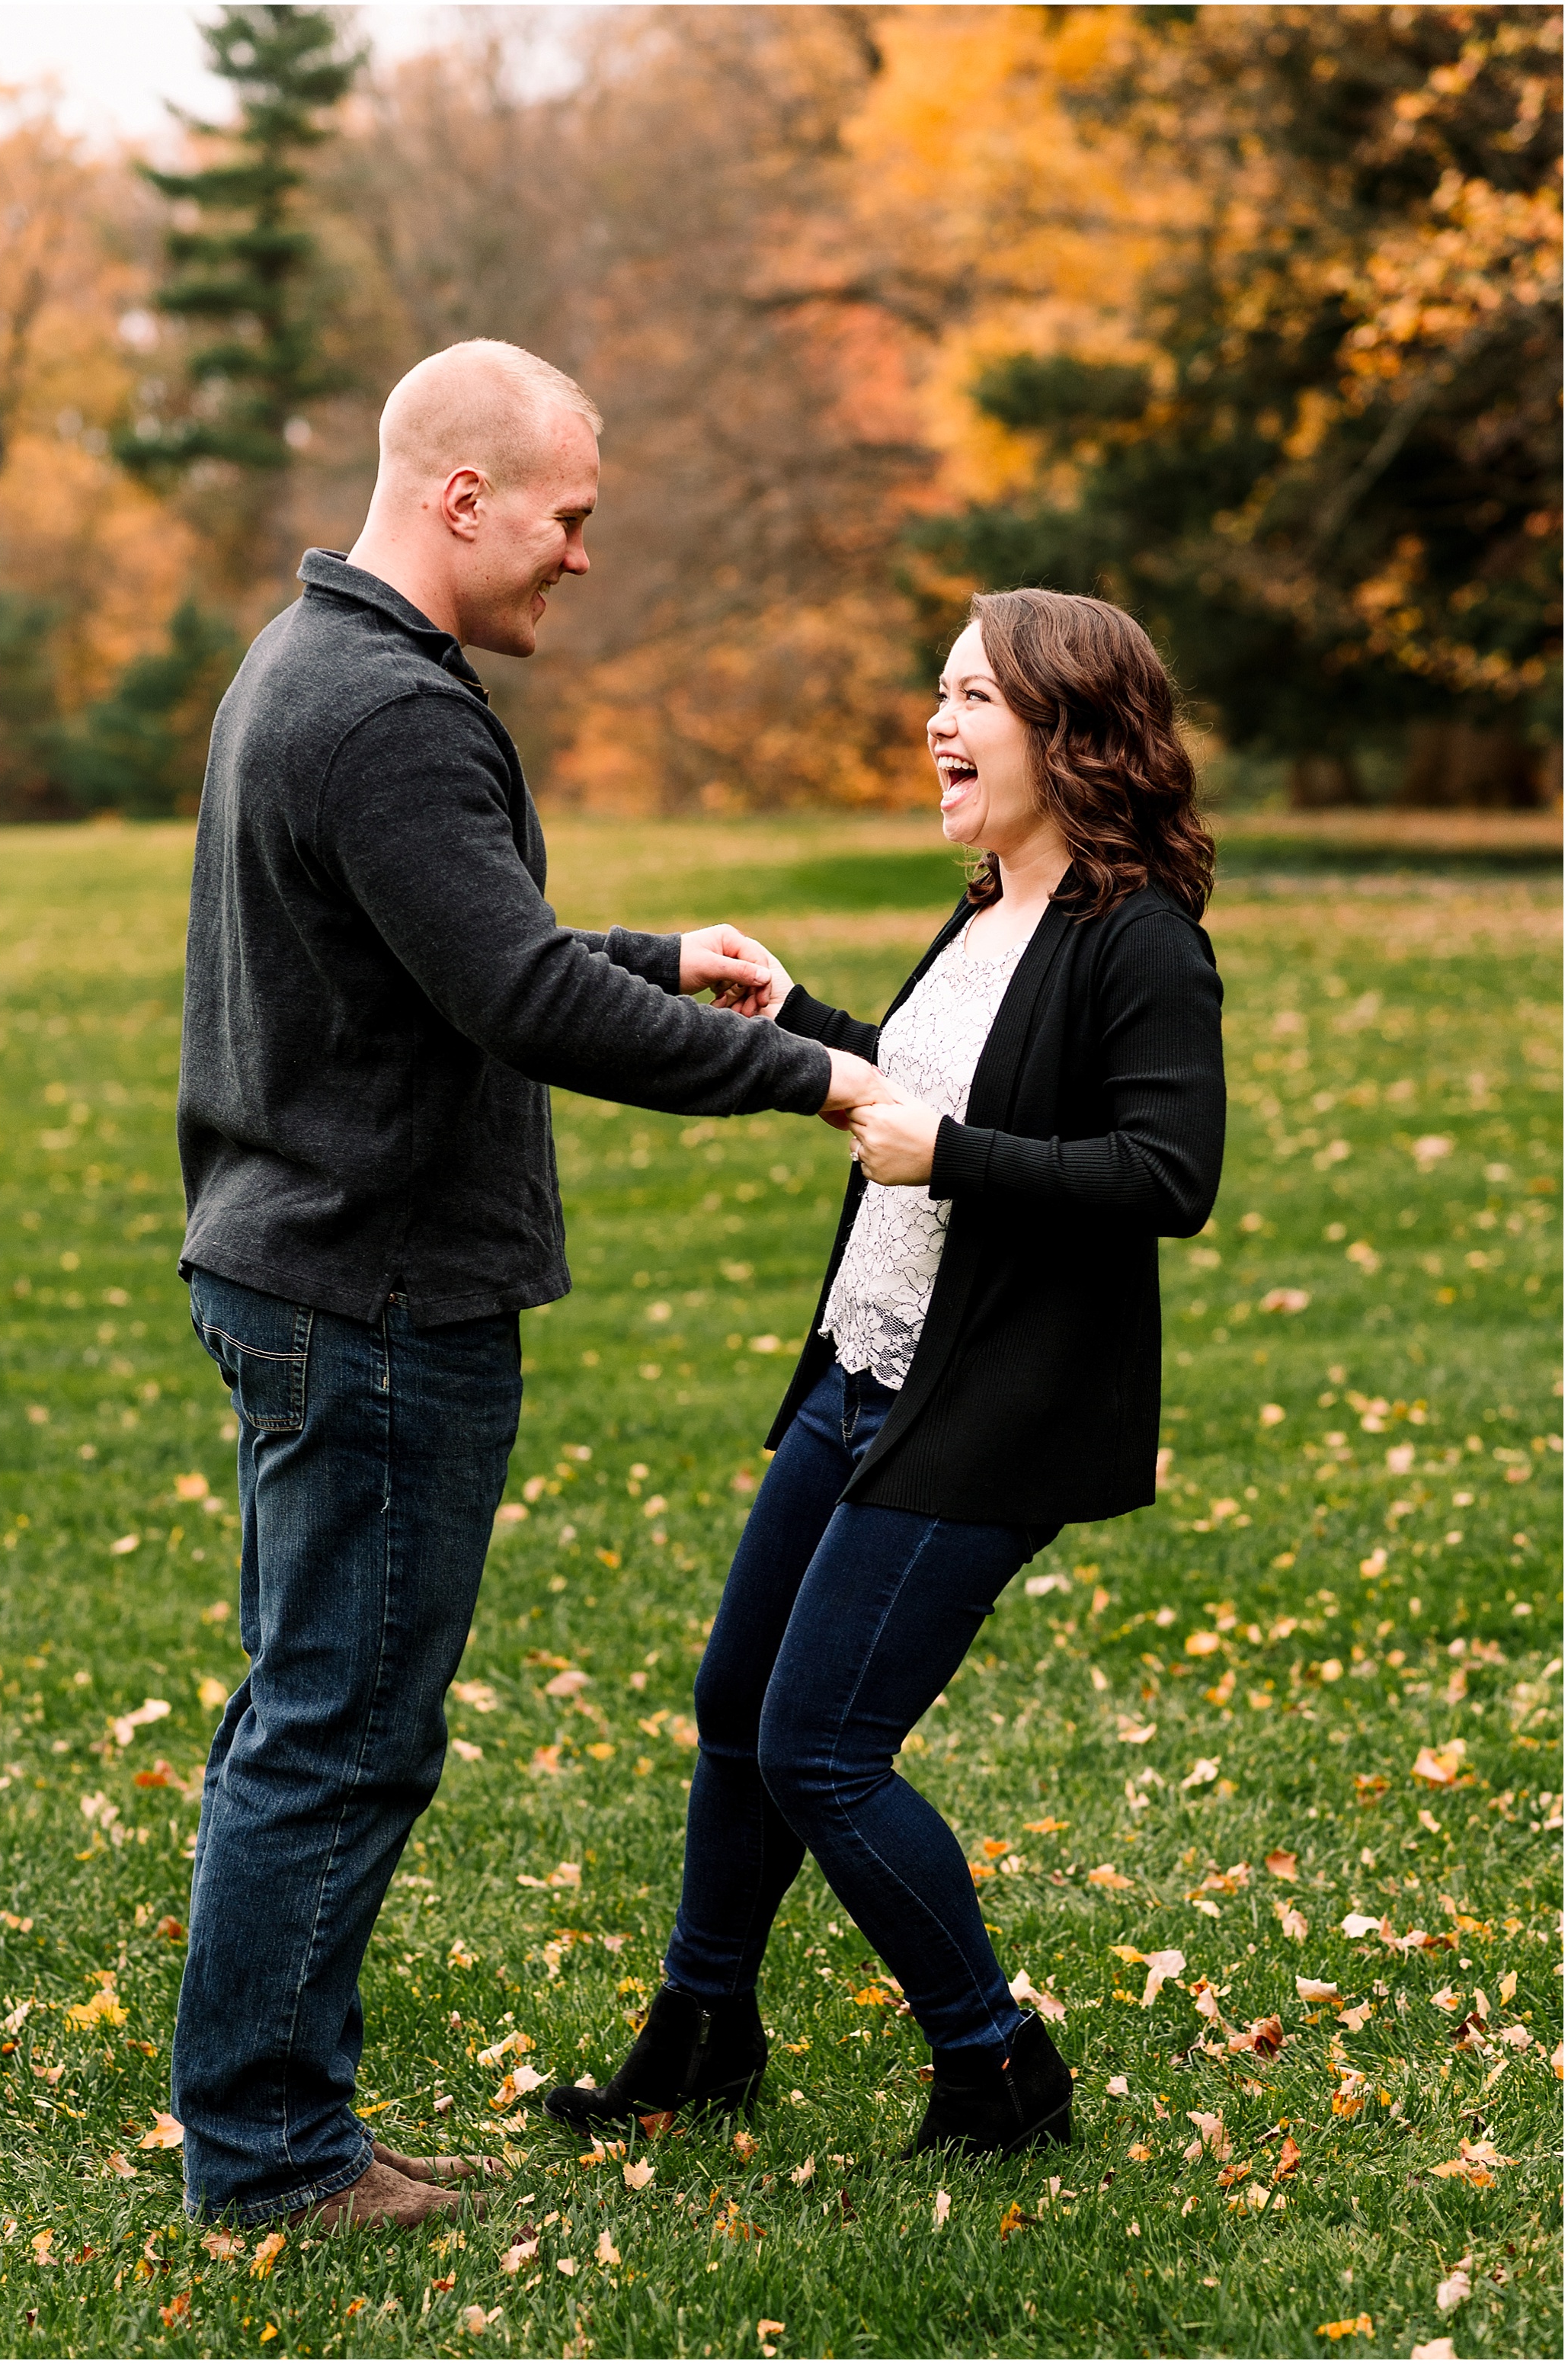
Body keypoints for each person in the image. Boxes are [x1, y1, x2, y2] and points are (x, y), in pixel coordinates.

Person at [171, 339, 888, 2234]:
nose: (581, 554)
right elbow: (511, 997)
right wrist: (814, 1072)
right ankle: (269, 2160)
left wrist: (657, 955)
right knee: (335, 1732)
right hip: (373, 1297)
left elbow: (454, 941)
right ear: (462, 496)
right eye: (567, 516)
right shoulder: (390, 706)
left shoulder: (310, 664)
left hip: (302, 1269)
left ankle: (287, 2121)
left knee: (309, 1716)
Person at [546, 587, 1226, 2158]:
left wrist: (956, 1157)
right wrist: (802, 1026)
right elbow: (929, 1098)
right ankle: (702, 2026)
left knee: (818, 1747)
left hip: (987, 1407)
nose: (936, 722)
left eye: (971, 697)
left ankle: (993, 2064)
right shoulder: (984, 912)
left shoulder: (1136, 945)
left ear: (1068, 731)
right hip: (864, 1373)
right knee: (737, 1704)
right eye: (937, 691)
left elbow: (1161, 1172)